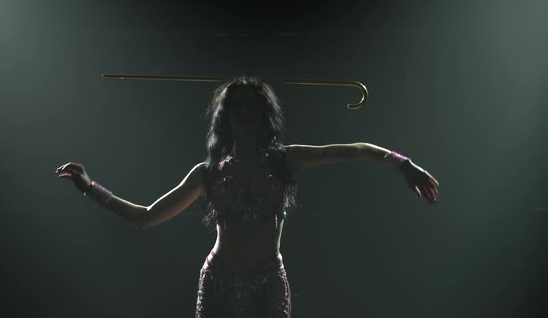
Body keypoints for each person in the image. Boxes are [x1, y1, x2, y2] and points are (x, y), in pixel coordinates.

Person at [55, 75, 440, 317]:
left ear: (263, 114)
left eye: (251, 106)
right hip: (218, 281)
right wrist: (90, 188)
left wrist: (402, 163)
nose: (244, 113)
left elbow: (353, 149)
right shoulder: (207, 174)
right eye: (235, 106)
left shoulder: (287, 161)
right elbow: (145, 216)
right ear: (226, 116)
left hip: (267, 283)